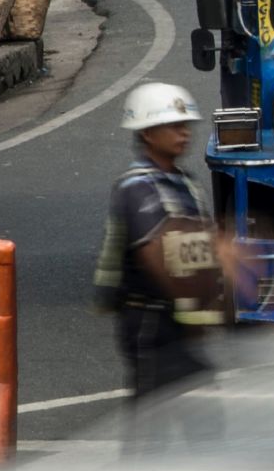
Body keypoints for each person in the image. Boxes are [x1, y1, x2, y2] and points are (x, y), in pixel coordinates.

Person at [91, 83, 240, 447]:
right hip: (150, 321)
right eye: (173, 125)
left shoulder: (184, 184)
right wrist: (199, 313)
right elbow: (157, 252)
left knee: (198, 420)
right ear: (146, 133)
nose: (184, 132)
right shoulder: (138, 187)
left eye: (185, 123)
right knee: (154, 430)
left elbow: (199, 250)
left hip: (177, 320)